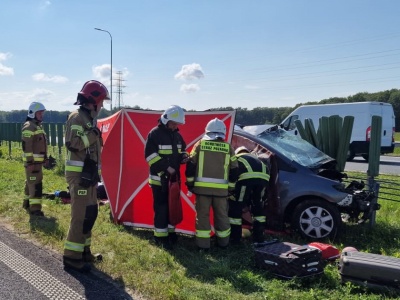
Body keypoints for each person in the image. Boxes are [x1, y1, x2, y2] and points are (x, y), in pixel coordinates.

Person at [63, 80, 110, 272]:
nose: (103, 105)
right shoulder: (77, 117)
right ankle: (71, 257)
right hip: (79, 176)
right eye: (102, 102)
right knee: (79, 216)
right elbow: (73, 143)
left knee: (90, 214)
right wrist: (94, 134)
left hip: (89, 176)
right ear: (93, 100)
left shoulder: (90, 119)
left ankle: (84, 252)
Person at [185, 118, 239, 251]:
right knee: (222, 217)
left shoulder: (200, 145)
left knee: (202, 217)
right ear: (223, 133)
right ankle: (223, 244)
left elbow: (190, 166)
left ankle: (203, 247)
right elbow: (234, 170)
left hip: (202, 191)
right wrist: (231, 188)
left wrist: (191, 185)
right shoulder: (228, 147)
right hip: (221, 193)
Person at [144, 105, 188, 250]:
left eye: (177, 124)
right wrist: (166, 168)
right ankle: (160, 238)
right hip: (159, 180)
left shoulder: (177, 135)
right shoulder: (155, 134)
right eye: (173, 124)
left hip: (174, 180)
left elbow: (182, 150)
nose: (176, 126)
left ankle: (170, 233)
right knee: (161, 209)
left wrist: (184, 157)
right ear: (165, 120)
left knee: (172, 207)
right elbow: (150, 156)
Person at [228, 146, 270, 245]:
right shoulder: (256, 158)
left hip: (246, 179)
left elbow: (233, 175)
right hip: (263, 179)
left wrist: (231, 191)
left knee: (236, 206)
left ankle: (235, 239)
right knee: (258, 205)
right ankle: (259, 236)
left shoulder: (237, 158)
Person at [21, 101, 48, 216]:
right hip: (33, 163)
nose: (41, 115)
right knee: (35, 185)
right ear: (32, 113)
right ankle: (35, 209)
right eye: (39, 113)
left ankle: (26, 203)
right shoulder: (29, 126)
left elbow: (41, 144)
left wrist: (45, 158)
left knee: (31, 182)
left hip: (37, 163)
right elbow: (26, 146)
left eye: (42, 113)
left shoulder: (36, 126)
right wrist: (30, 161)